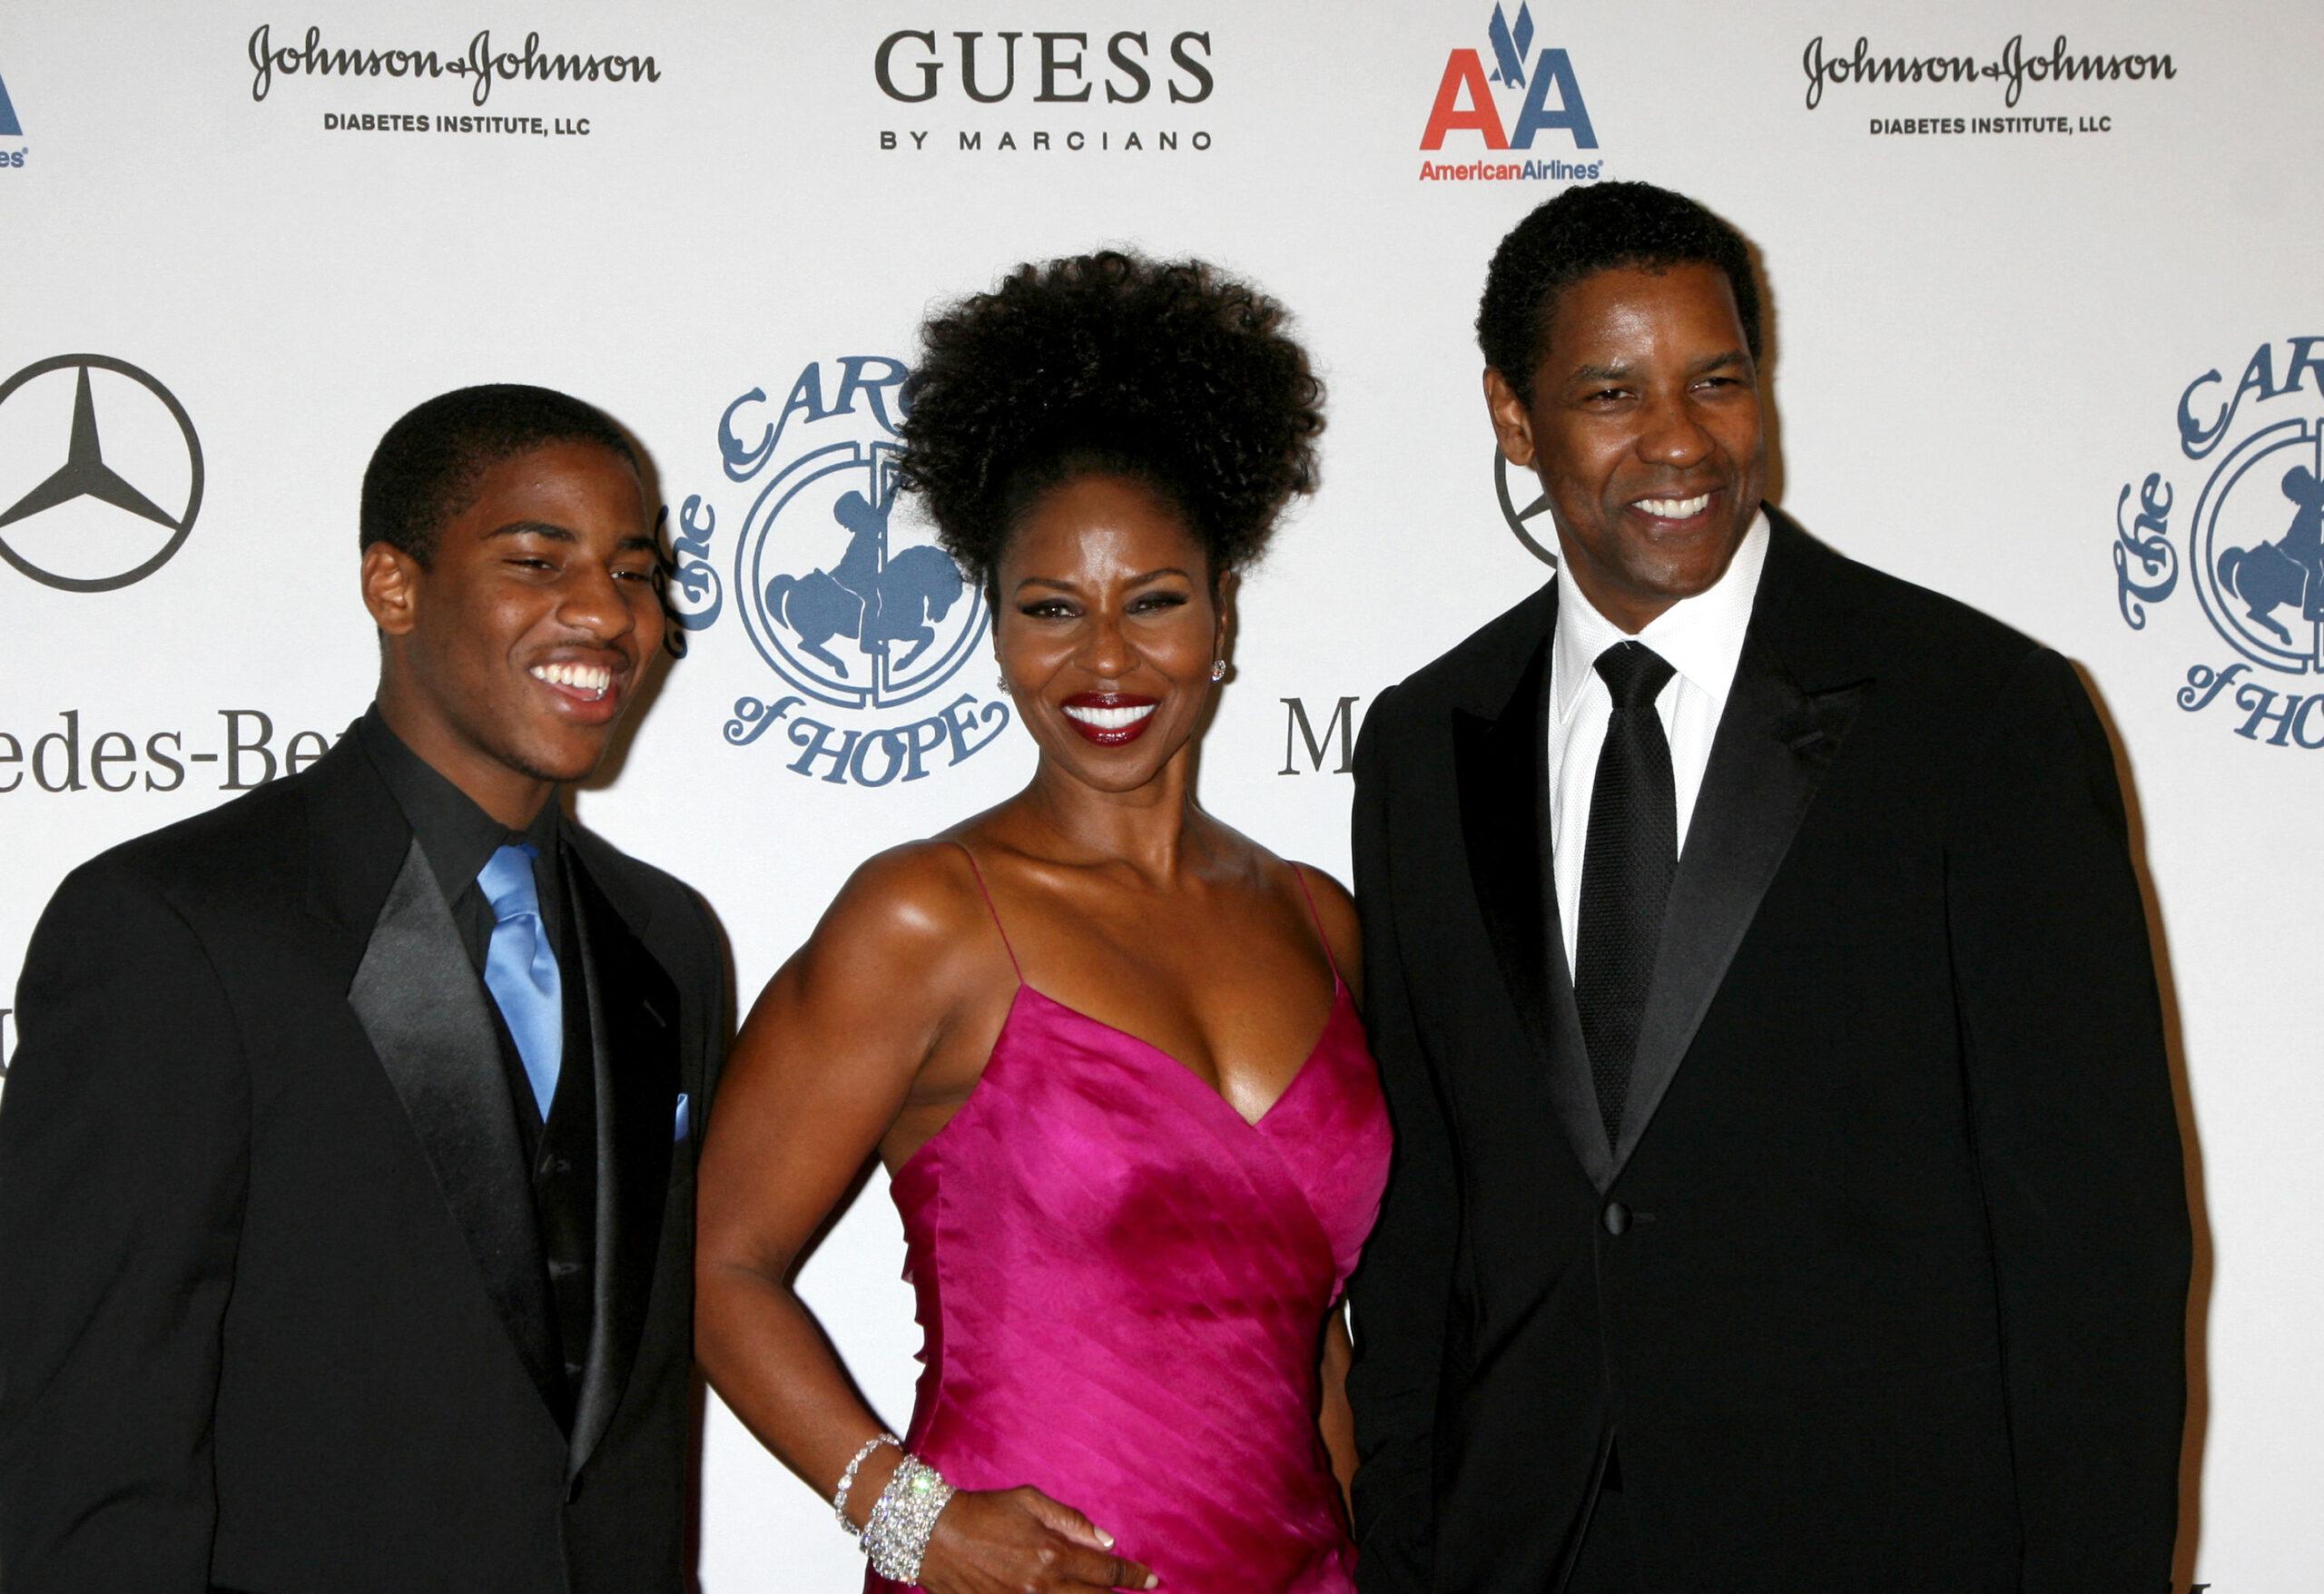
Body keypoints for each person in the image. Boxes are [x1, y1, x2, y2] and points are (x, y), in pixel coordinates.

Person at [1344, 182, 2191, 1592]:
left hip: (1884, 1545)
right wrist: (1410, 1557)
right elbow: (1423, 1217)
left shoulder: (1979, 714)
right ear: (1513, 416)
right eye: (1611, 391)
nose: (1680, 440)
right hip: (1525, 1548)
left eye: (1718, 380)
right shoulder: (1426, 742)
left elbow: (2096, 1245)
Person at [697, 251, 1386, 1593]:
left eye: (1157, 603)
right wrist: (910, 1518)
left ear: (1224, 615)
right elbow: (719, 1267)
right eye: (1052, 610)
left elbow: (1316, 1345)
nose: (1107, 662)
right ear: (997, 629)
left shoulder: (1318, 920)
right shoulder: (927, 918)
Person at [0, 385, 728, 1592]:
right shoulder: (176, 925)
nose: (605, 611)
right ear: (394, 585)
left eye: (635, 571)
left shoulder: (668, 941)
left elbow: (631, 1421)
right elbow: (82, 1443)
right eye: (537, 560)